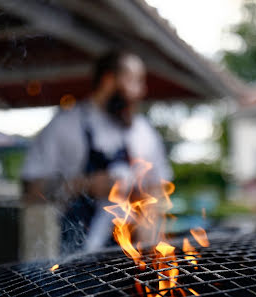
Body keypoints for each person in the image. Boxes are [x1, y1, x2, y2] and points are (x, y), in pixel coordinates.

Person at [21, 50, 172, 255]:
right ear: (109, 80)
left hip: (131, 258)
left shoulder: (142, 131)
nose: (141, 91)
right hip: (75, 258)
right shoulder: (65, 125)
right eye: (134, 81)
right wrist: (85, 184)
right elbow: (30, 190)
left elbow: (158, 187)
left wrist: (148, 222)